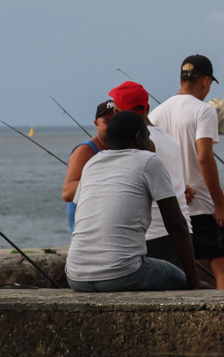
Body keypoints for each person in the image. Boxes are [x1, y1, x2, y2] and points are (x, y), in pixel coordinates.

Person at [65, 111, 208, 292]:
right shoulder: (149, 160)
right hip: (121, 274)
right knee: (179, 277)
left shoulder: (92, 163)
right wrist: (194, 281)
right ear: (139, 137)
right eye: (148, 136)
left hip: (75, 276)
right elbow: (176, 225)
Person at [149, 55, 224, 290]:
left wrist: (175, 188)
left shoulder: (156, 114)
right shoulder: (204, 111)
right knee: (223, 267)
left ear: (181, 78)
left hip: (175, 205)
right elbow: (205, 157)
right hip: (204, 206)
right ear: (206, 81)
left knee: (179, 270)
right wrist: (220, 204)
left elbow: (155, 160)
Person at [109, 80, 193, 269]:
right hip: (181, 232)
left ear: (117, 114)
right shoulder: (168, 139)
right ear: (147, 107)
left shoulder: (145, 144)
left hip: (153, 236)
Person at [61, 100, 115, 233]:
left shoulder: (122, 149)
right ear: (96, 124)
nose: (112, 126)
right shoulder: (85, 150)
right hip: (85, 226)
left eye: (116, 121)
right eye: (107, 122)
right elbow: (67, 193)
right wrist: (108, 182)